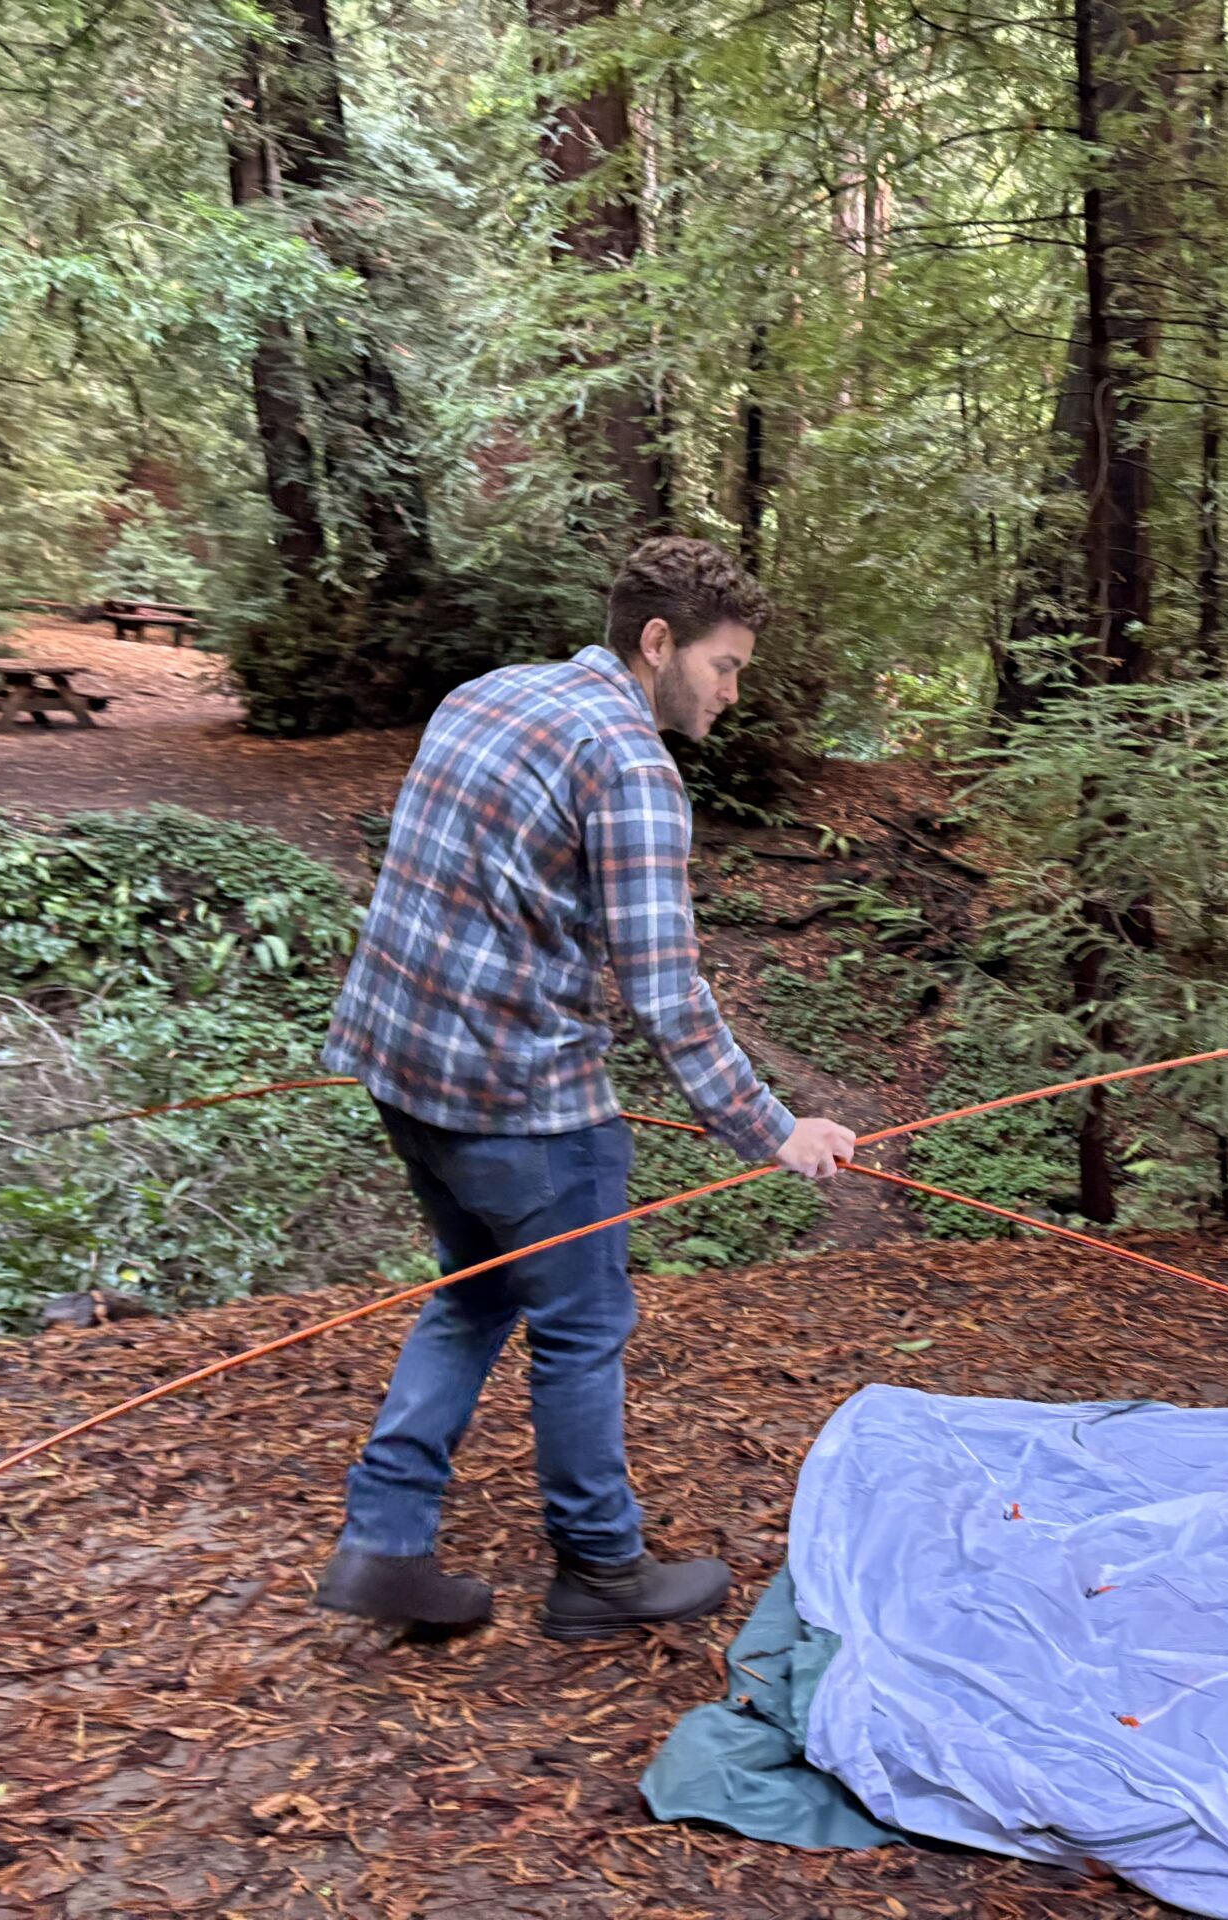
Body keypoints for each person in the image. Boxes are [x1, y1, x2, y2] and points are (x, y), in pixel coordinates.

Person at [313, 536, 859, 1638]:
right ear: (657, 643)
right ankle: (601, 1570)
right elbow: (666, 993)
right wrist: (775, 1131)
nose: (732, 691)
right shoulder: (630, 766)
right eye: (724, 665)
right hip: (522, 1106)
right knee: (582, 1324)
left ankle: (382, 1548)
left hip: (401, 1074)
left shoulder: (489, 695)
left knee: (474, 1292)